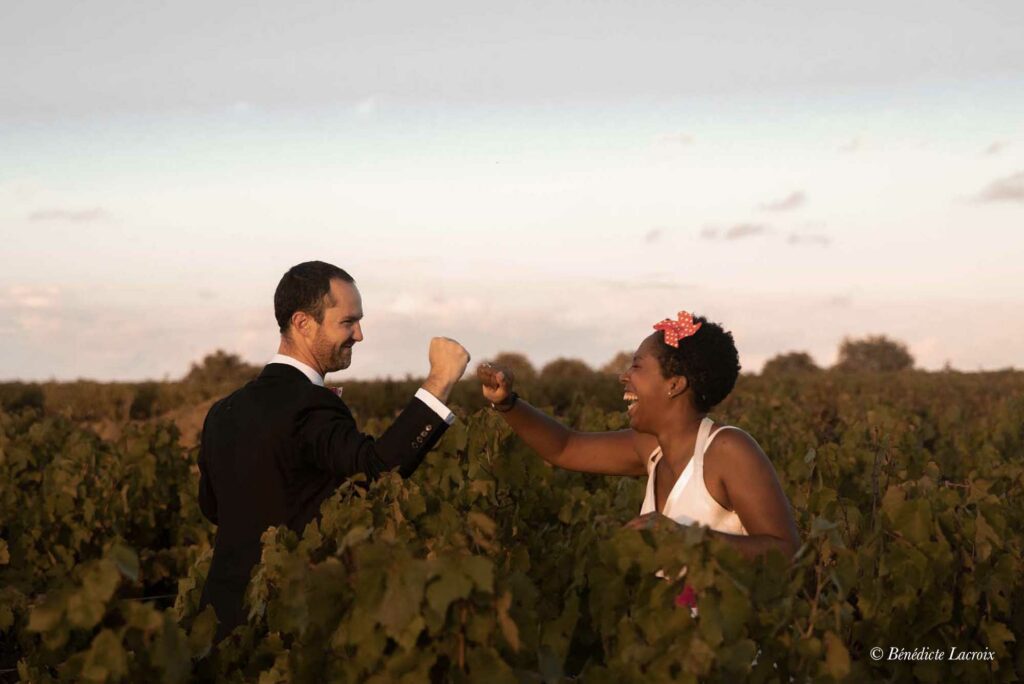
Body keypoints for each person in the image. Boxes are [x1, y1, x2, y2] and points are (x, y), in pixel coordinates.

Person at [198, 261, 470, 641]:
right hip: (288, 627)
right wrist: (440, 381)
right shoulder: (309, 404)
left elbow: (213, 508)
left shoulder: (222, 412)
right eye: (348, 322)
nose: (359, 335)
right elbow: (379, 469)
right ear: (303, 323)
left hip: (218, 624)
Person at [477, 311, 799, 559]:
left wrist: (684, 537)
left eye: (637, 366)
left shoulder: (727, 450)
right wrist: (507, 403)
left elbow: (785, 552)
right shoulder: (651, 449)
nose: (624, 376)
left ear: (674, 384)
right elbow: (565, 447)